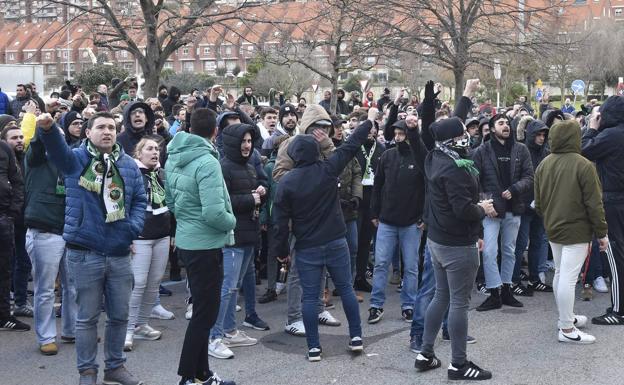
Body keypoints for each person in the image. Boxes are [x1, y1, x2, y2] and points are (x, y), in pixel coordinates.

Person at [38, 111, 147, 385]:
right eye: (100, 127)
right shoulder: (75, 160)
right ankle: (87, 372)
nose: (107, 131)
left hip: (120, 252)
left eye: (111, 127)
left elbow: (139, 201)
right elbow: (56, 151)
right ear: (88, 132)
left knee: (120, 316)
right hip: (85, 252)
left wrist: (131, 228)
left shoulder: (129, 164)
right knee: (86, 319)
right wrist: (49, 128)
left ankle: (115, 367)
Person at [272, 108, 376, 362]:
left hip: (307, 246)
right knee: (346, 290)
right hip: (336, 240)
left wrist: (282, 252)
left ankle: (314, 348)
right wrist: (369, 121)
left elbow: (279, 222)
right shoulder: (328, 169)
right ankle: (356, 337)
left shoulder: (287, 183)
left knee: (309, 297)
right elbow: (351, 146)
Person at [414, 117, 494, 381]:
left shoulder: (435, 157)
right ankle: (458, 364)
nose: (467, 136)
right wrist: (483, 209)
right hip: (457, 244)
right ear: (452, 141)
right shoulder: (455, 169)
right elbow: (463, 210)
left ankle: (425, 354)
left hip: (437, 242)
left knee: (441, 296)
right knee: (459, 303)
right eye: (462, 134)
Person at [166, 108, 237, 385]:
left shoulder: (173, 155)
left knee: (203, 312)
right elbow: (214, 213)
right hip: (205, 244)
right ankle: (187, 376)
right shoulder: (207, 162)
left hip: (187, 239)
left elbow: (171, 202)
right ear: (215, 132)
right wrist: (232, 223)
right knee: (205, 314)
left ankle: (202, 374)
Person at [535, 119, 608, 343]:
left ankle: (565, 318)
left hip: (553, 226)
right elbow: (594, 204)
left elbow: (538, 203)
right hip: (577, 229)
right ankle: (567, 329)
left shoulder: (544, 164)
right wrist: (602, 232)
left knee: (560, 273)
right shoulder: (583, 164)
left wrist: (549, 217)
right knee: (567, 277)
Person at [208, 123, 269, 360]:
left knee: (235, 285)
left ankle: (230, 330)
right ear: (233, 143)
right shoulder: (223, 167)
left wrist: (261, 193)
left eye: (249, 141)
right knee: (227, 287)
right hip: (231, 237)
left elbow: (253, 194)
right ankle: (214, 336)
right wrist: (251, 198)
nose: (247, 145)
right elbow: (223, 201)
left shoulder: (250, 166)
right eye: (243, 141)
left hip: (249, 234)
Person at [24, 122, 77, 355]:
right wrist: (42, 127)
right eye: (52, 136)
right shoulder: (35, 159)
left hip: (69, 231)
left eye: (60, 137)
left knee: (73, 287)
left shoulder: (69, 163)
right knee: (45, 289)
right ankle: (46, 336)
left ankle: (72, 330)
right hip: (44, 231)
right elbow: (36, 145)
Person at [472, 113, 534, 311]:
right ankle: (493, 292)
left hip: (513, 208)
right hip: (491, 210)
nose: (505, 126)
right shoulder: (481, 151)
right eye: (500, 123)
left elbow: (529, 176)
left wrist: (515, 189)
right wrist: (485, 202)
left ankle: (507, 289)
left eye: (507, 123)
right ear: (491, 129)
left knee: (510, 251)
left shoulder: (521, 149)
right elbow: (475, 181)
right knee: (490, 252)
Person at [368, 118, 425, 324]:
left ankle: (409, 305)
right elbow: (377, 186)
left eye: (402, 134)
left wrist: (424, 216)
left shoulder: (420, 158)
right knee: (381, 264)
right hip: (386, 221)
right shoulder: (386, 156)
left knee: (411, 266)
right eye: (396, 134)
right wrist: (374, 213)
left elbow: (428, 189)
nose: (398, 137)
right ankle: (376, 305)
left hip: (412, 222)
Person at [124, 137, 171, 352]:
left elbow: (170, 204)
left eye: (157, 149)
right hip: (140, 237)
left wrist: (173, 233)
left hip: (161, 235)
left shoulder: (161, 175)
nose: (155, 152)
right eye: (150, 149)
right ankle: (127, 329)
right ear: (138, 153)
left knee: (154, 282)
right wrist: (128, 236)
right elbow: (124, 206)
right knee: (138, 283)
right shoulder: (132, 174)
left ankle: (142, 323)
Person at [581, 96, 624, 325]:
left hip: (615, 200)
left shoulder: (613, 134)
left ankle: (619, 311)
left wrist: (591, 128)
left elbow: (584, 150)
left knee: (616, 256)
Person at [512, 117, 553, 293]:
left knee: (537, 242)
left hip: (540, 205)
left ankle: (534, 278)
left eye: (544, 134)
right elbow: (517, 178)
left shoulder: (546, 153)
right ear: (531, 135)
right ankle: (513, 281)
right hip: (523, 205)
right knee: (520, 244)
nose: (541, 138)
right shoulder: (521, 151)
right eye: (538, 134)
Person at [0, 128, 27, 331]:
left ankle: (3, 316)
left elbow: (17, 181)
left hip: (4, 217)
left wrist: (12, 212)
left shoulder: (4, 149)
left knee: (4, 269)